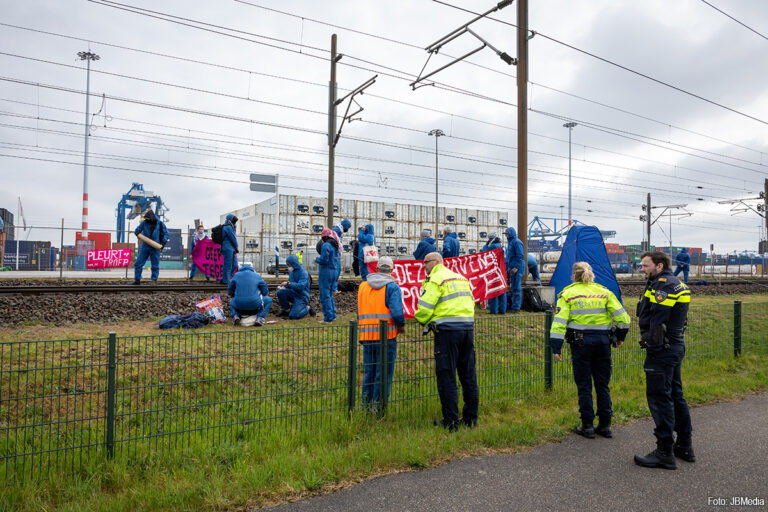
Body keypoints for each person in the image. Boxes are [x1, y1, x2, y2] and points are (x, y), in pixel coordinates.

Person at [550, 262, 631, 439]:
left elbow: (559, 323)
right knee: (602, 384)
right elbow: (624, 319)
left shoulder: (567, 294)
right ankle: (605, 425)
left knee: (584, 384)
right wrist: (619, 337)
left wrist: (556, 347)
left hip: (580, 344)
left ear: (573, 276)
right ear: (591, 274)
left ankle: (587, 425)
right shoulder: (604, 292)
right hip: (603, 343)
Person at [634, 251, 694, 470]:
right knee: (676, 395)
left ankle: (664, 452)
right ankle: (685, 445)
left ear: (659, 266)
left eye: (645, 265)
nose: (642, 269)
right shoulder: (678, 284)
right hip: (675, 347)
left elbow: (658, 322)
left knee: (660, 398)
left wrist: (653, 348)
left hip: (662, 350)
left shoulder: (662, 286)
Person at [414, 252, 478, 431]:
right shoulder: (460, 278)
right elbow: (471, 302)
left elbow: (424, 309)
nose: (424, 266)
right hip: (467, 329)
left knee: (446, 376)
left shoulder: (436, 279)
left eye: (425, 263)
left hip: (447, 333)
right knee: (468, 376)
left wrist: (422, 320)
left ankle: (451, 422)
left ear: (434, 262)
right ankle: (471, 419)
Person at [357, 256, 405, 408]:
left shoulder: (363, 287)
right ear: (391, 270)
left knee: (369, 371)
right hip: (386, 337)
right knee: (383, 373)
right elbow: (397, 313)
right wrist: (401, 326)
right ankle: (378, 407)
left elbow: (360, 312)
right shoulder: (392, 287)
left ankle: (366, 404)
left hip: (366, 335)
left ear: (377, 268)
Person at [227, 262, 271, 326]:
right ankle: (260, 318)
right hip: (255, 303)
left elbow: (229, 291)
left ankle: (235, 316)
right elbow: (265, 291)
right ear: (252, 269)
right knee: (268, 300)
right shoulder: (257, 275)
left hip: (239, 304)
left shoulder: (236, 275)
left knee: (231, 301)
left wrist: (234, 293)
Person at [133, 210, 169, 285]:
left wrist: (163, 242)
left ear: (152, 218)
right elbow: (137, 230)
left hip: (156, 246)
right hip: (145, 245)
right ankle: (137, 280)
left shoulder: (160, 224)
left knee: (155, 265)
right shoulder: (144, 222)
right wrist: (137, 233)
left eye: (148, 219)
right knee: (138, 263)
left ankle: (154, 280)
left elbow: (166, 234)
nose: (146, 221)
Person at [276, 254, 313, 319]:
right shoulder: (291, 271)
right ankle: (286, 310)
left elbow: (301, 287)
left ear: (293, 263)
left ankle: (308, 308)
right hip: (293, 293)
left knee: (293, 316)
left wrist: (288, 284)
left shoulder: (303, 273)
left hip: (302, 296)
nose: (287, 266)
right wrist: (284, 286)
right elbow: (291, 283)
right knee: (280, 292)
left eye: (288, 265)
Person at [316, 228, 338, 323]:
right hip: (333, 271)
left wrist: (316, 259)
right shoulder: (334, 246)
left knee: (325, 296)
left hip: (326, 273)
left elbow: (324, 260)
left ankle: (328, 317)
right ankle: (332, 314)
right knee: (329, 295)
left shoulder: (325, 245)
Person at [482, 232, 507, 315]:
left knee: (493, 289)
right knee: (501, 289)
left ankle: (493, 310)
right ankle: (502, 310)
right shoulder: (502, 246)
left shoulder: (492, 246)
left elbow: (485, 253)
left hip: (494, 269)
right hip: (502, 269)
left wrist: (486, 245)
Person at [504, 227, 525, 311]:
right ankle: (515, 305)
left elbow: (520, 256)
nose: (506, 235)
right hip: (512, 267)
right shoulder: (511, 243)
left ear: (511, 233)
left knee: (516, 287)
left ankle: (516, 307)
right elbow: (509, 257)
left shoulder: (517, 242)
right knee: (514, 287)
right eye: (505, 234)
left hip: (517, 268)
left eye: (507, 234)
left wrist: (516, 267)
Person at [331, 219, 351, 295]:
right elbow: (334, 242)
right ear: (345, 226)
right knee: (336, 271)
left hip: (337, 254)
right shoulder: (337, 230)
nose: (348, 229)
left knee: (337, 271)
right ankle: (333, 289)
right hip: (335, 254)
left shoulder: (339, 230)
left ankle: (333, 288)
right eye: (348, 227)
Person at [221, 214, 239, 285]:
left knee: (234, 264)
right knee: (228, 265)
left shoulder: (230, 227)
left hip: (231, 248)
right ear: (230, 220)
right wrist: (237, 247)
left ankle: (225, 278)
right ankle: (226, 281)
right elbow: (233, 238)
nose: (234, 222)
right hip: (227, 248)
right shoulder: (228, 227)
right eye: (233, 221)